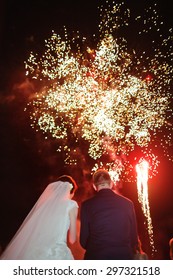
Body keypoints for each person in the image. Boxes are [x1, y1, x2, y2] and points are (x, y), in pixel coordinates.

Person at [0, 175, 78, 260]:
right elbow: (72, 239)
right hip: (58, 253)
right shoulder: (71, 205)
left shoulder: (44, 205)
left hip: (36, 251)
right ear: (70, 191)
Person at [79, 169, 138, 260]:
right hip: (123, 257)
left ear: (95, 186)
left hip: (96, 257)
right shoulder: (128, 203)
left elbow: (83, 241)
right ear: (111, 184)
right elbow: (134, 239)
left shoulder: (87, 205)